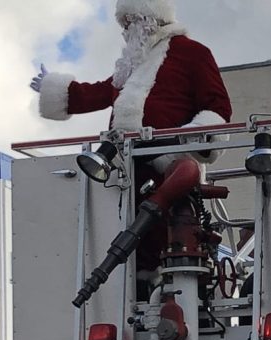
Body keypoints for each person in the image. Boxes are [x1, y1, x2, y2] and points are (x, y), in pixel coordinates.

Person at [30, 0, 232, 290]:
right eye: (123, 23)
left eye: (130, 21)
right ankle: (137, 288)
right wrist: (60, 90)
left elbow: (218, 107)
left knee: (163, 235)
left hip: (169, 165)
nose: (125, 30)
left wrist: (188, 142)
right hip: (124, 169)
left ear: (150, 19)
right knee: (128, 240)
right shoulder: (133, 64)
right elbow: (100, 92)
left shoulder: (192, 54)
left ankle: (168, 288)